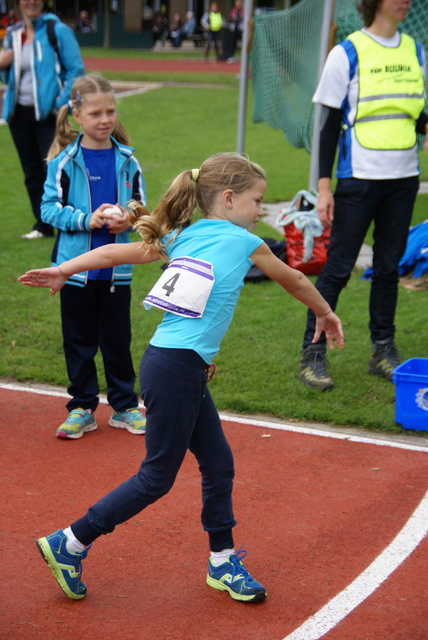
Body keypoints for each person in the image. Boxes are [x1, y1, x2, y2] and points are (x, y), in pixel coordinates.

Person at [18, 152, 344, 603]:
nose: (260, 211)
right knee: (156, 477)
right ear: (228, 200)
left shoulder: (183, 234)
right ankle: (70, 542)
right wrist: (325, 313)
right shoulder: (242, 240)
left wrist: (62, 269)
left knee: (218, 463)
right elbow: (293, 278)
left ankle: (222, 559)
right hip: (175, 369)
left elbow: (115, 251)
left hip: (176, 365)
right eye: (257, 201)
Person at [298, 0, 428, 392]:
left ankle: (382, 350)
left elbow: (417, 114)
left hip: (404, 179)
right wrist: (323, 186)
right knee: (337, 270)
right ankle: (312, 354)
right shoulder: (347, 52)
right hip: (359, 180)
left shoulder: (415, 49)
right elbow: (327, 125)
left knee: (389, 268)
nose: (404, 1)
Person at [40, 73, 146, 439]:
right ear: (76, 116)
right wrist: (89, 219)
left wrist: (129, 217)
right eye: (96, 113)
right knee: (79, 341)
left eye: (111, 111)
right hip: (74, 271)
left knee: (117, 339)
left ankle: (124, 406)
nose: (105, 120)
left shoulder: (128, 160)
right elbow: (48, 210)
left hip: (116, 272)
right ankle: (82, 406)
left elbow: (141, 207)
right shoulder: (63, 162)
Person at [0, 0, 85, 240]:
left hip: (48, 116)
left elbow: (76, 71)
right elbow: (9, 76)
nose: (32, 2)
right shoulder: (14, 34)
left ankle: (70, 223)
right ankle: (43, 224)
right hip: (19, 114)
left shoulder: (56, 31)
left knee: (58, 170)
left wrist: (58, 107)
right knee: (32, 172)